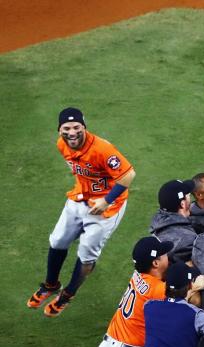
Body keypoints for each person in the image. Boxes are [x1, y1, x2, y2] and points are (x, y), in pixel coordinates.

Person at [28, 108, 136, 317]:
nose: (72, 132)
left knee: (86, 256)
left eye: (77, 127)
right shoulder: (62, 145)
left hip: (106, 209)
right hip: (79, 198)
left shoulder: (102, 149)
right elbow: (80, 169)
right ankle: (51, 285)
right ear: (59, 130)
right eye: (66, 128)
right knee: (57, 241)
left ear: (84, 128)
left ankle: (68, 294)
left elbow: (128, 175)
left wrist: (106, 200)